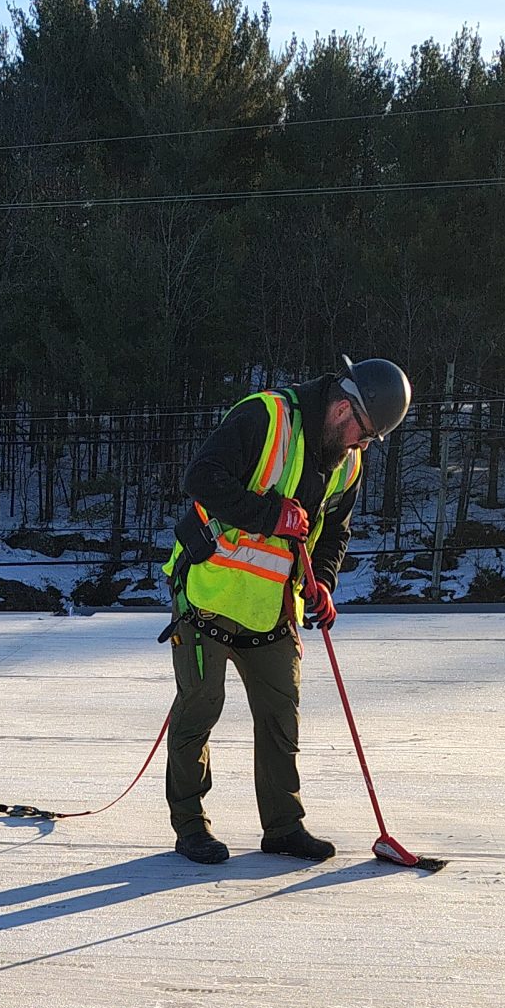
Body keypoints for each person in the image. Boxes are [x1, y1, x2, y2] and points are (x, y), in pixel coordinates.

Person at [160, 358, 412, 864]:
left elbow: (335, 531)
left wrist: (324, 583)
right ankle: (190, 827)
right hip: (207, 595)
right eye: (362, 434)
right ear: (344, 407)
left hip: (274, 608)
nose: (361, 446)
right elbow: (200, 478)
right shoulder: (265, 417)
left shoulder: (350, 462)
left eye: (368, 440)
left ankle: (283, 827)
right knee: (200, 708)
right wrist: (269, 514)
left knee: (280, 717)